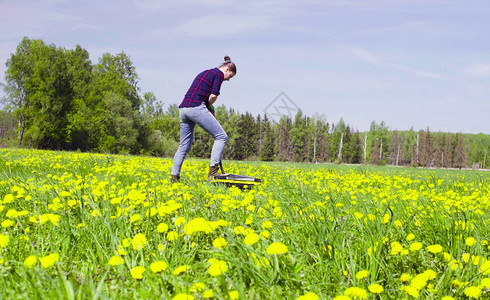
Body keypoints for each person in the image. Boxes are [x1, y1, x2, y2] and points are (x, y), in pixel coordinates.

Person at [171, 56, 236, 183]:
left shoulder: (205, 72)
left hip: (183, 109)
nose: (228, 79)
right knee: (221, 136)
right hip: (196, 107)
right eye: (230, 76)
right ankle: (213, 173)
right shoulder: (218, 75)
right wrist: (209, 107)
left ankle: (174, 177)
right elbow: (213, 95)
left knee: (184, 145)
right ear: (227, 69)